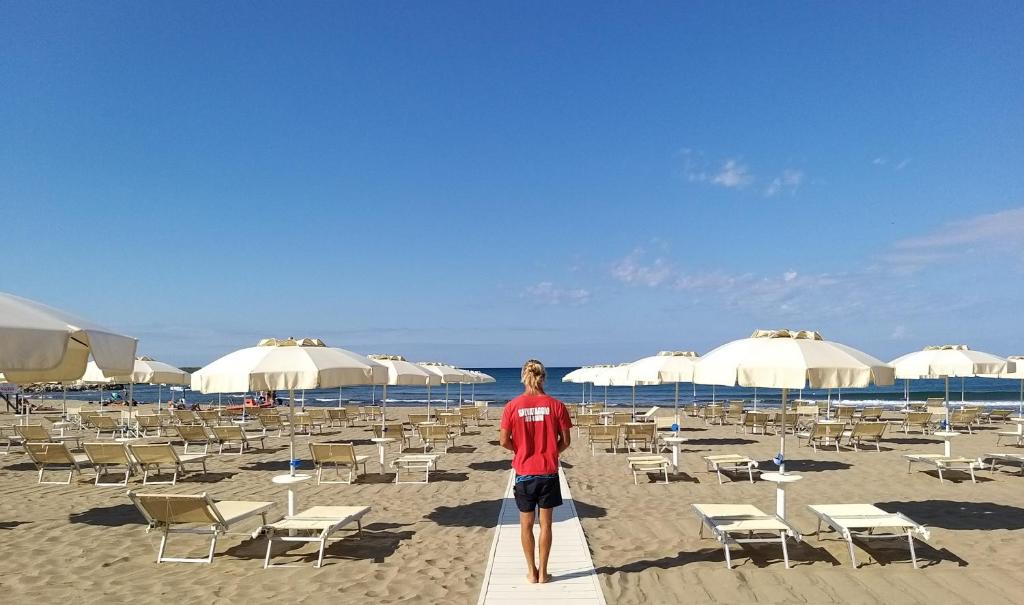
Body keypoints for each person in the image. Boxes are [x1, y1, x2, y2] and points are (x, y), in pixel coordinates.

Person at [499, 359, 572, 584]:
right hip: (548, 471)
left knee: (526, 525)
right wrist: (551, 452)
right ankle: (543, 573)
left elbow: (503, 441)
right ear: (544, 377)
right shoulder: (556, 405)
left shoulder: (512, 406)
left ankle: (531, 571)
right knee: (546, 525)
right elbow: (566, 441)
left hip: (524, 472)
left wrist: (520, 450)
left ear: (523, 376)